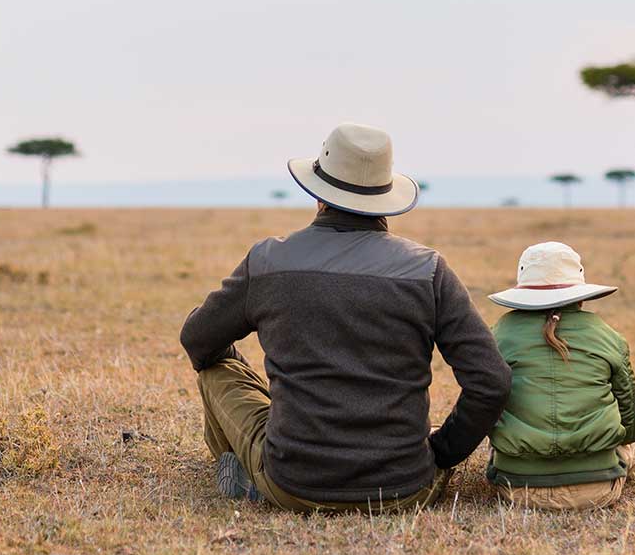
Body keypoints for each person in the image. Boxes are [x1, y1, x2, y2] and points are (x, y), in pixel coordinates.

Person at [179, 122, 511, 512]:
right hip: (406, 489)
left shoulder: (268, 260)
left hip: (292, 483)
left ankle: (246, 475)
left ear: (319, 194)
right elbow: (491, 382)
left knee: (216, 369)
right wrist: (440, 452)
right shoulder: (428, 270)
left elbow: (197, 341)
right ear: (386, 196)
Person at [483, 242, 635, 510]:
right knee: (631, 447)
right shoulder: (606, 334)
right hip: (597, 488)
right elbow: (633, 427)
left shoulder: (499, 333)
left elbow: (482, 404)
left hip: (518, 488)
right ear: (579, 293)